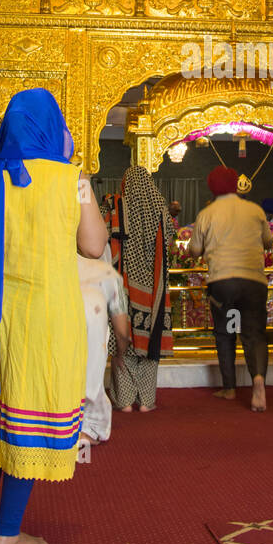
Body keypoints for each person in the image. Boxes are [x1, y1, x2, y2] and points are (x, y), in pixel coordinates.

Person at [0, 88, 107, 544]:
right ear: (54, 129)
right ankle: (8, 535)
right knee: (27, 414)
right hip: (45, 320)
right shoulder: (73, 179)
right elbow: (94, 245)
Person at [190, 166, 272, 411]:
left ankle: (229, 388)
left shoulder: (207, 213)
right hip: (253, 281)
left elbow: (194, 250)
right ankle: (258, 381)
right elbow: (268, 242)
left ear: (212, 188)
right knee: (254, 334)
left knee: (225, 333)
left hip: (223, 282)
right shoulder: (255, 210)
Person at [108, 165, 176, 413]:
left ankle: (125, 401)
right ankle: (146, 401)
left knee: (123, 341)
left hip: (125, 286)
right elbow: (171, 243)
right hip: (155, 290)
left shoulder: (118, 207)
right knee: (150, 346)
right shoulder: (161, 210)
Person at [77, 253, 131, 448]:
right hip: (90, 334)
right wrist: (120, 354)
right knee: (90, 368)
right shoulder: (106, 272)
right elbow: (121, 330)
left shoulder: (50, 260)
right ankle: (86, 428)